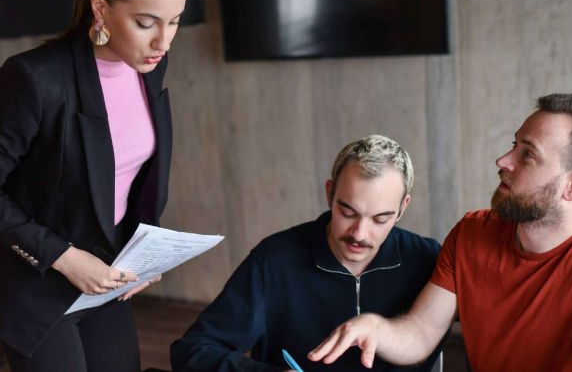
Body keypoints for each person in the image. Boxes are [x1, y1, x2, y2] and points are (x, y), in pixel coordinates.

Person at [309, 94, 572, 372]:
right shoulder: (472, 233)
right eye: (514, 145)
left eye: (528, 155)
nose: (503, 160)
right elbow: (422, 332)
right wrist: (375, 328)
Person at [0, 0, 187, 371]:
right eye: (146, 23)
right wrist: (64, 256)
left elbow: (125, 176)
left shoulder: (150, 65)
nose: (164, 40)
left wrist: (146, 247)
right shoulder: (34, 78)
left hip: (107, 277)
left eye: (174, 21)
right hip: (37, 285)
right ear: (100, 5)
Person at [171, 135, 444, 371]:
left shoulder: (428, 259)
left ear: (403, 207)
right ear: (329, 194)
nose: (360, 233)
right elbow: (193, 351)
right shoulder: (275, 260)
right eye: (347, 212)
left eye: (380, 220)